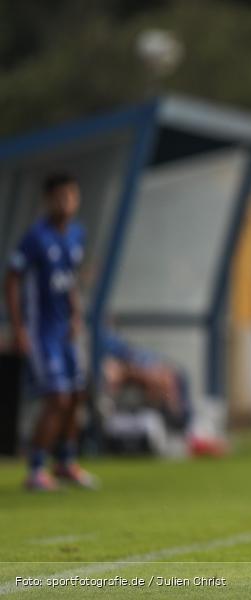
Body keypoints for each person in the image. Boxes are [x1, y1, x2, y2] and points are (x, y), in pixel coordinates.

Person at [3, 172, 97, 491]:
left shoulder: (77, 235)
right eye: (60, 196)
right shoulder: (35, 238)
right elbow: (12, 279)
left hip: (66, 331)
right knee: (56, 396)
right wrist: (18, 328)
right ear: (48, 200)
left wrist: (76, 315)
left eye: (71, 196)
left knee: (77, 396)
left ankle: (66, 463)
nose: (66, 202)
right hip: (41, 332)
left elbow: (70, 282)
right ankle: (36, 468)